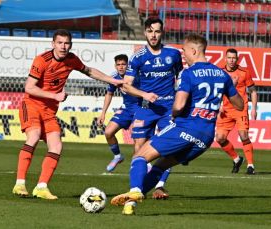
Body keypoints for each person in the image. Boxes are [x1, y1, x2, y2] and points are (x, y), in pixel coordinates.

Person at [110, 34, 244, 215]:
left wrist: (173, 116)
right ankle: (131, 205)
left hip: (186, 127)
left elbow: (179, 105)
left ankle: (135, 191)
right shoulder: (222, 75)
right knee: (160, 166)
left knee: (139, 156)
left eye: (185, 50)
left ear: (194, 50)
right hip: (205, 137)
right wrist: (228, 88)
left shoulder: (188, 73)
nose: (183, 54)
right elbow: (240, 104)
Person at [12, 29, 123, 200]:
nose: (63, 46)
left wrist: (113, 80)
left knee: (56, 146)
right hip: (31, 105)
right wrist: (54, 96)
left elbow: (89, 71)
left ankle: (41, 187)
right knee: (33, 136)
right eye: (60, 43)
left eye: (67, 43)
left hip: (49, 111)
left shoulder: (71, 60)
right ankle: (19, 184)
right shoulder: (42, 60)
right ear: (53, 44)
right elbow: (29, 87)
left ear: (71, 44)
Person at [122, 17, 183, 199]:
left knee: (168, 147)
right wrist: (144, 94)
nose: (153, 35)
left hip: (168, 108)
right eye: (150, 31)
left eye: (157, 31)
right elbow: (126, 85)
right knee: (140, 149)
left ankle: (160, 186)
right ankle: (138, 187)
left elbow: (180, 77)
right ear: (145, 33)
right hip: (146, 107)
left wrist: (181, 98)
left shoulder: (173, 54)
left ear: (162, 32)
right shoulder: (138, 57)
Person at [215, 48, 258, 175]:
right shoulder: (220, 72)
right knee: (220, 138)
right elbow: (216, 91)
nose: (231, 60)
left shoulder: (244, 72)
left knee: (243, 135)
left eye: (234, 58)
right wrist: (218, 105)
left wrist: (254, 108)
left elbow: (253, 91)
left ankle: (250, 165)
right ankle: (237, 159)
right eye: (229, 58)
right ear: (225, 58)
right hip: (226, 110)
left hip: (241, 108)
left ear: (237, 59)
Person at [97, 54, 141, 172]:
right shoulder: (115, 77)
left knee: (137, 139)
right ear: (115, 66)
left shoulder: (136, 76)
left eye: (123, 64)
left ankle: (136, 165)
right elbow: (109, 94)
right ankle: (117, 156)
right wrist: (103, 113)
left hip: (140, 109)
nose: (121, 67)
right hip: (126, 109)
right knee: (108, 132)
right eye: (118, 64)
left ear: (128, 65)